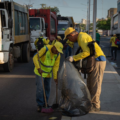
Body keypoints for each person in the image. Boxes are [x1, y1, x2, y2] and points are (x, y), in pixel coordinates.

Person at [64, 27, 106, 112]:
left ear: (72, 34)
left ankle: (96, 105)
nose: (70, 40)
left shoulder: (81, 37)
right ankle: (90, 104)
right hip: (94, 61)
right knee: (90, 84)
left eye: (69, 38)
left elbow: (87, 52)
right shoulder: (80, 37)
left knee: (95, 84)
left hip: (98, 60)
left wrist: (74, 58)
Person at [33, 42, 63, 112]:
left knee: (47, 89)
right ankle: (40, 105)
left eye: (58, 51)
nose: (57, 52)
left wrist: (55, 78)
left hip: (48, 73)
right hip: (40, 72)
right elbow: (35, 58)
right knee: (40, 88)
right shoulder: (45, 49)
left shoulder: (58, 55)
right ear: (54, 47)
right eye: (56, 50)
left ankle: (45, 104)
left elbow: (55, 67)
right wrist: (38, 68)